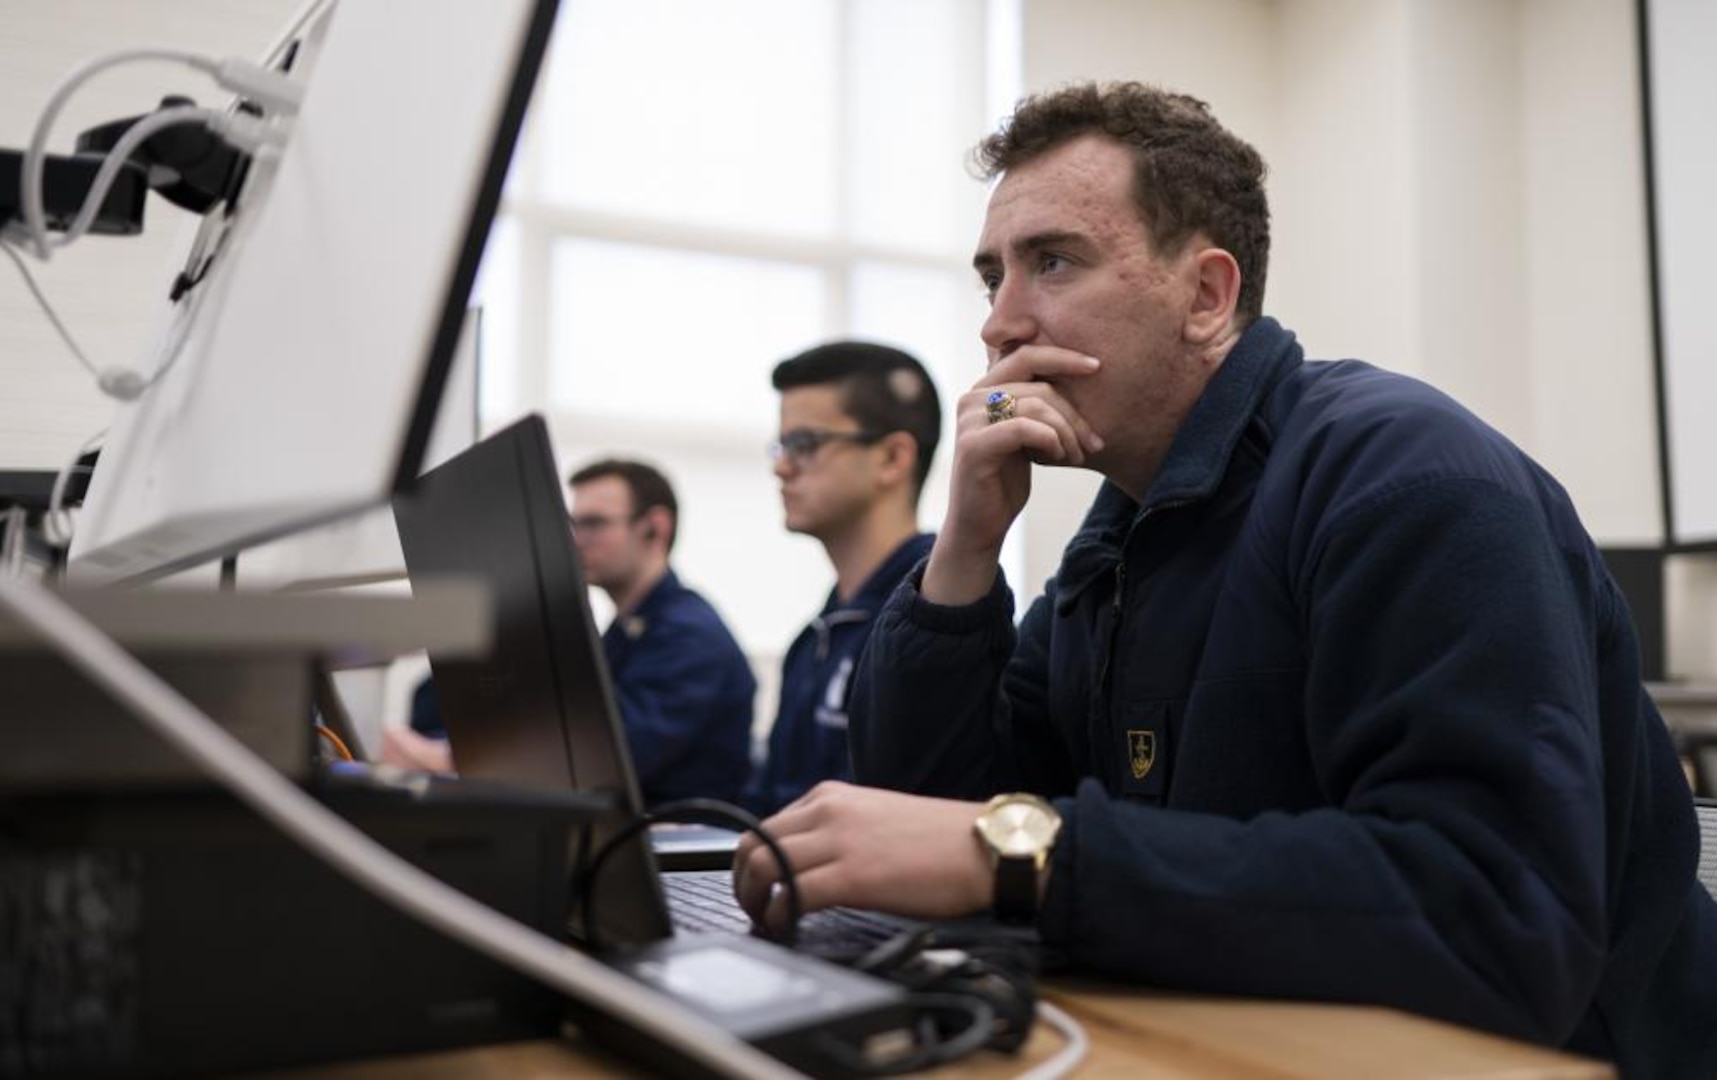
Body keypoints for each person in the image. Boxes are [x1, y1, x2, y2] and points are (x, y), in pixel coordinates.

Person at [732, 81, 1717, 1076]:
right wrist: (965, 549)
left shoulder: (1406, 478)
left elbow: (1490, 918)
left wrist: (1020, 854)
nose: (999, 324)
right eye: (991, 278)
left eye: (1054, 262)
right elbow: (927, 825)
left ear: (1206, 296)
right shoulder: (1121, 531)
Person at [740, 342, 941, 816]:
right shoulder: (814, 641)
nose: (781, 467)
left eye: (805, 444)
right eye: (782, 446)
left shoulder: (938, 618)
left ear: (892, 458)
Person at [567, 458, 756, 806]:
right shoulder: (628, 630)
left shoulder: (688, 636)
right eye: (573, 525)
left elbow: (608, 762)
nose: (577, 541)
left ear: (655, 528)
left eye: (594, 524)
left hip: (682, 850)